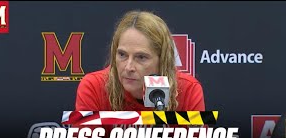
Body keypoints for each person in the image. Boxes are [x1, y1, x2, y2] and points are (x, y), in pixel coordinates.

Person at [75, 10, 205, 111]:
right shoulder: (94, 86)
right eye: (122, 55)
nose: (128, 67)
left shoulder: (188, 90)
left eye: (141, 57)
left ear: (162, 59)